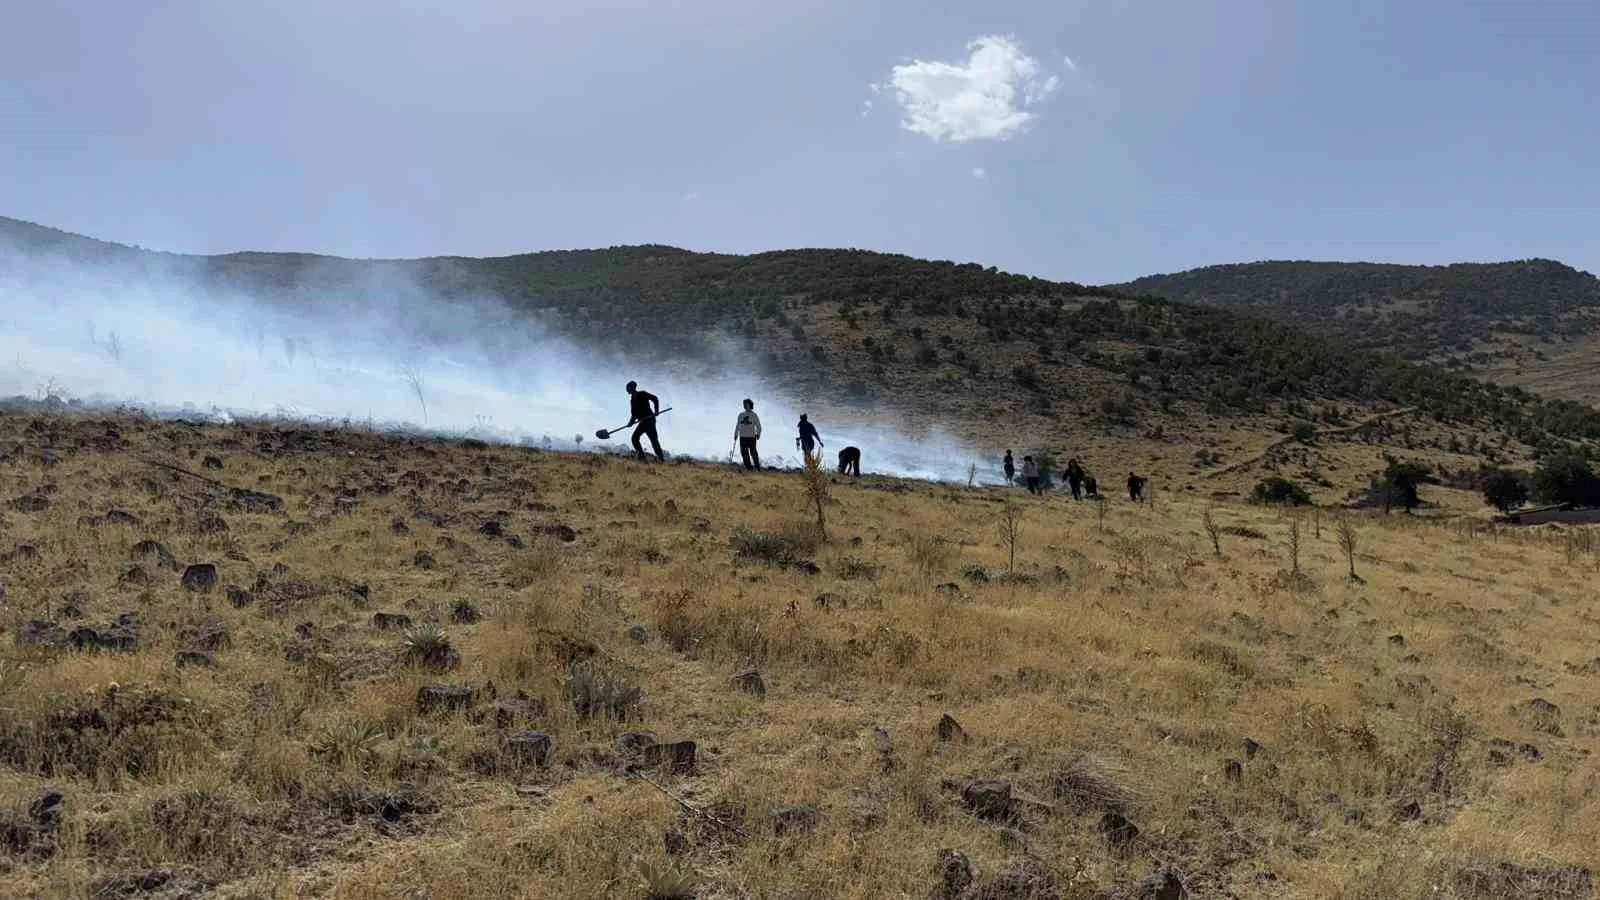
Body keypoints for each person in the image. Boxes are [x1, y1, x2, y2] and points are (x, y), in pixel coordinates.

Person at [624, 381, 664, 462]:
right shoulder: (632, 400)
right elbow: (634, 414)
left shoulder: (642, 394)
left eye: (627, 388)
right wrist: (630, 422)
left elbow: (655, 398)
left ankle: (661, 459)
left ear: (632, 388)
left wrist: (656, 411)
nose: (626, 390)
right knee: (635, 438)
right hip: (643, 422)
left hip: (649, 421)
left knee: (653, 440)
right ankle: (641, 456)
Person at [733, 398, 762, 470]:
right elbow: (738, 425)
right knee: (744, 453)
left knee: (753, 453)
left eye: (746, 404)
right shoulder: (741, 415)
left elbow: (759, 426)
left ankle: (757, 467)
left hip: (751, 437)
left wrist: (758, 434)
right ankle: (749, 468)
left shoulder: (754, 415)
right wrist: (735, 434)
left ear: (750, 405)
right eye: (744, 404)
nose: (745, 406)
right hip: (742, 437)